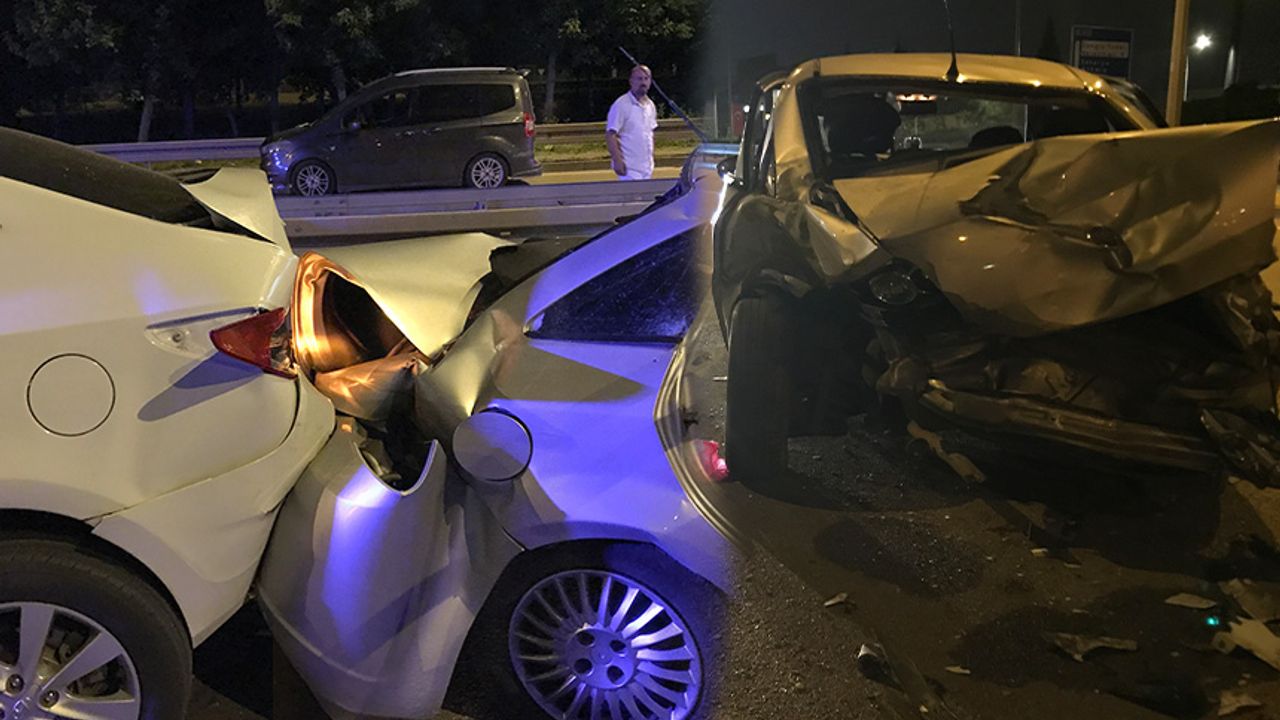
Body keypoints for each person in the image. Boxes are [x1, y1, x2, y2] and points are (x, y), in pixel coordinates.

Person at [605, 65, 658, 180]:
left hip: (647, 167)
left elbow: (650, 133)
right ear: (631, 81)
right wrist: (617, 160)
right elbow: (610, 134)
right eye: (639, 79)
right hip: (629, 168)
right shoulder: (621, 104)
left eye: (646, 78)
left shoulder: (650, 105)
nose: (643, 82)